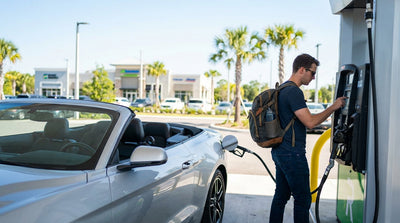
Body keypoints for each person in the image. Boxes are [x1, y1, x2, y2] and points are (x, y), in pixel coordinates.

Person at [269, 53, 346, 223]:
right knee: (303, 200)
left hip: (280, 151)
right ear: (302, 70)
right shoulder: (293, 92)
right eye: (312, 73)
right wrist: (334, 107)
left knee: (281, 196)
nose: (313, 77)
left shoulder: (281, 89)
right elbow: (310, 122)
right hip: (292, 154)